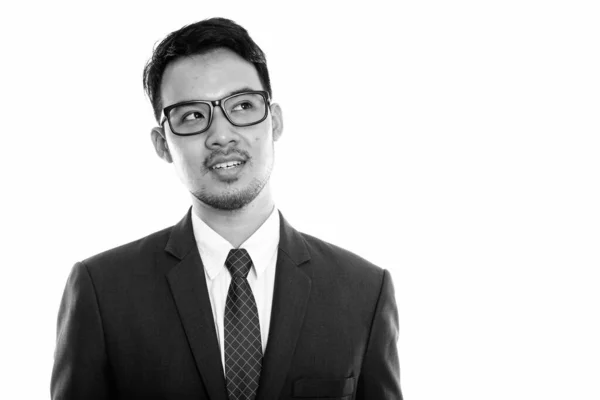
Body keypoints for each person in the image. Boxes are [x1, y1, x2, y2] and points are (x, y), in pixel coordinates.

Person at [51, 17, 403, 400]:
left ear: (276, 122)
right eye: (192, 116)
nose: (221, 135)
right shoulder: (103, 291)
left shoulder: (364, 292)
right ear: (162, 144)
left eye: (242, 105)